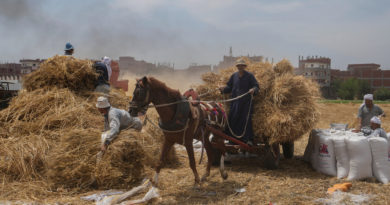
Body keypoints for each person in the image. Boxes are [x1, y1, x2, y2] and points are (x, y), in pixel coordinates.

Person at [219, 59, 259, 145]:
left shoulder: (249, 76)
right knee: (233, 118)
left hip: (246, 103)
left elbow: (256, 86)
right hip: (235, 102)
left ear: (245, 66)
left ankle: (248, 140)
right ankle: (232, 139)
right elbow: (229, 87)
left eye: (242, 65)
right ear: (237, 67)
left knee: (246, 120)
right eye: (239, 66)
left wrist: (253, 89)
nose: (240, 67)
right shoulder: (234, 76)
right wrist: (223, 89)